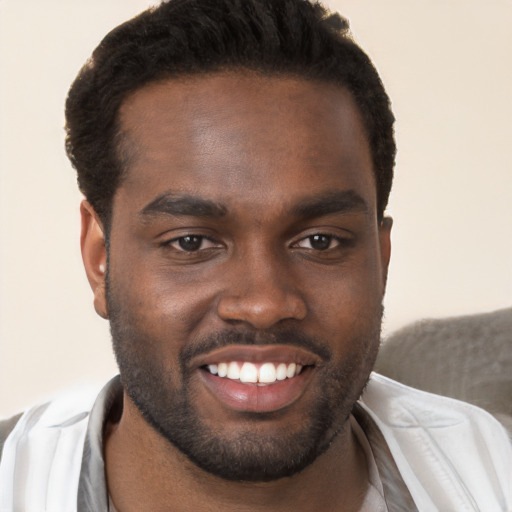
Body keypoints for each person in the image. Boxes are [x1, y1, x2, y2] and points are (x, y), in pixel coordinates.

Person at [0, 0, 510, 510]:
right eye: (191, 242)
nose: (264, 304)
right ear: (99, 258)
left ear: (381, 258)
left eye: (319, 241)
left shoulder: (492, 472)